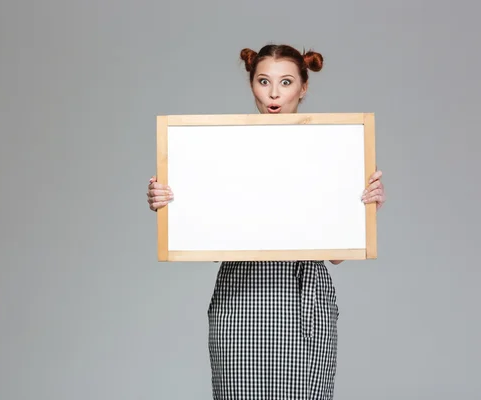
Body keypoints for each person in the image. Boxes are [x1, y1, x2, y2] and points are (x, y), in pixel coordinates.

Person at [146, 44, 386, 400]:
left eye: (286, 82)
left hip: (303, 299)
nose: (274, 93)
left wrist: (364, 212)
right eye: (264, 81)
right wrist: (168, 204)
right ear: (251, 85)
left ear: (303, 87)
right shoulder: (219, 150)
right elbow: (207, 242)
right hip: (239, 297)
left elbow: (335, 255)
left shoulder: (333, 150)